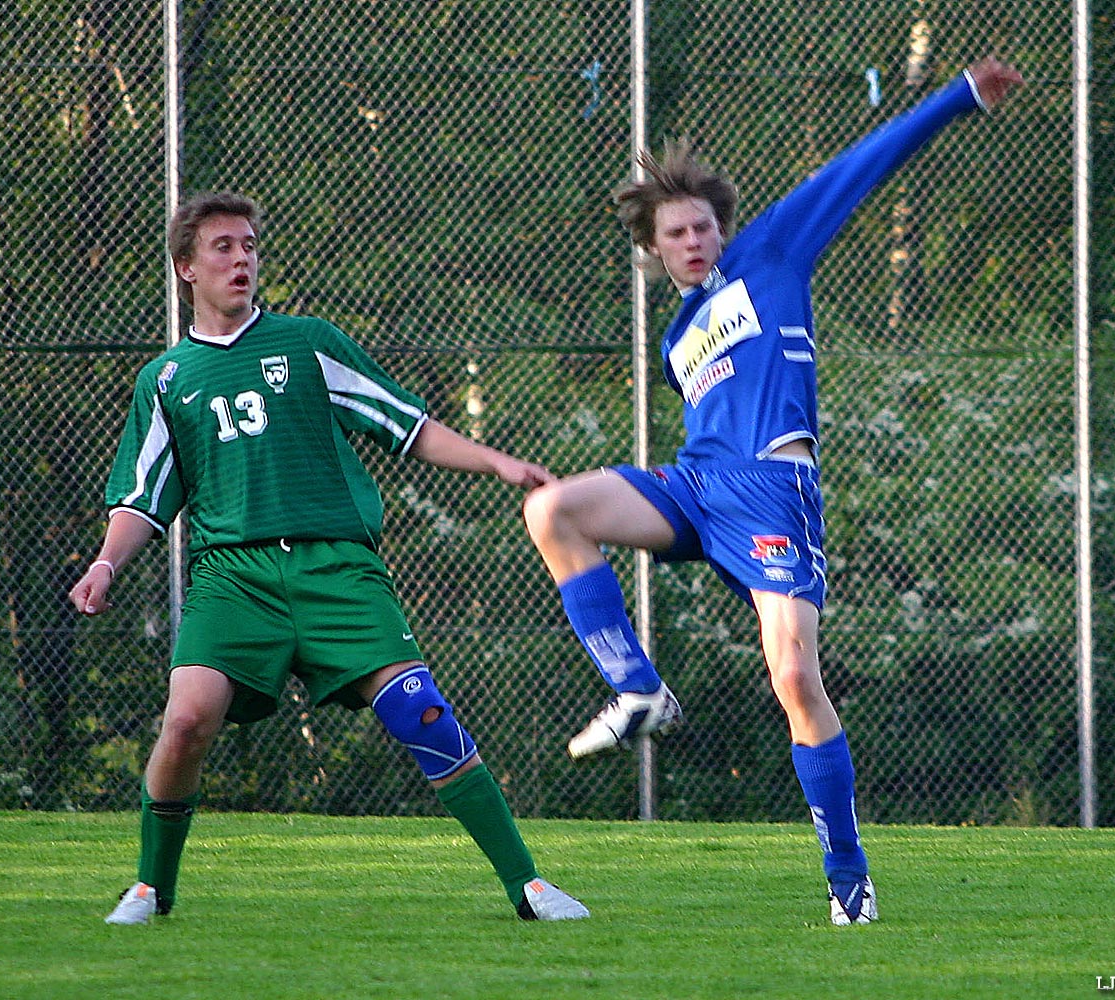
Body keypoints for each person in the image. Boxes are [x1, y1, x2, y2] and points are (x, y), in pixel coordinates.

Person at [523, 56, 1024, 925]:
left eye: (703, 226)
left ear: (723, 228)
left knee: (794, 677)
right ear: (652, 249)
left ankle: (848, 878)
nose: (695, 240)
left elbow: (856, 167)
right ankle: (638, 687)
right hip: (694, 486)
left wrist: (956, 99)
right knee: (552, 508)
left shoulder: (770, 252)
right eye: (676, 232)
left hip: (771, 491)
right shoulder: (676, 335)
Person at [70, 190, 589, 925]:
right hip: (233, 579)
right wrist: (104, 564)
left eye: (250, 244)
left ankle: (529, 887)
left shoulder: (307, 341)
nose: (242, 257)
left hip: (335, 568)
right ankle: (152, 888)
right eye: (223, 247)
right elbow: (143, 499)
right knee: (185, 723)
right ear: (186, 266)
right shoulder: (166, 378)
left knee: (423, 714)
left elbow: (407, 426)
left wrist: (497, 463)